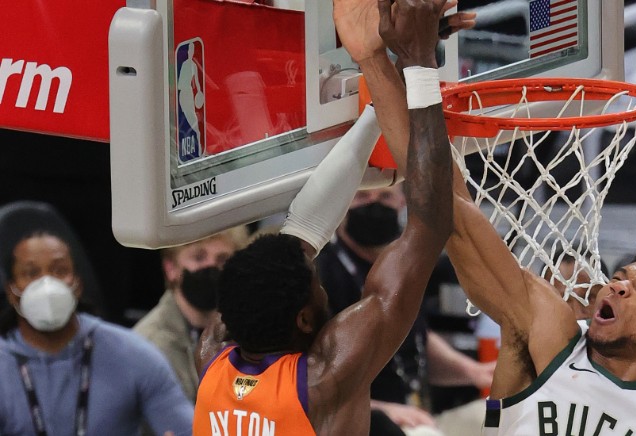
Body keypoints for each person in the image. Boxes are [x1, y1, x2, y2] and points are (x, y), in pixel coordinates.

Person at [366, 7, 636, 436]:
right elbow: (448, 209)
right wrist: (400, 62)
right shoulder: (545, 337)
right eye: (620, 277)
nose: (618, 284)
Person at [192, 0, 469, 434]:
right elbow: (429, 224)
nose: (322, 290)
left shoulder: (213, 358)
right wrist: (419, 63)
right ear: (304, 319)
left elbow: (298, 238)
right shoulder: (325, 379)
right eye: (316, 285)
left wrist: (394, 78)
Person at [317, 183, 494, 434]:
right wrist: (379, 410)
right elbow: (311, 381)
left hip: (417, 413)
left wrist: (475, 372)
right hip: (360, 422)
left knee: (500, 415)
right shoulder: (323, 274)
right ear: (343, 204)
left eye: (385, 196)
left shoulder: (401, 264)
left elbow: (416, 338)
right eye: (363, 196)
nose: (374, 202)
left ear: (402, 203)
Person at [0, 230, 193, 436]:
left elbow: (186, 429)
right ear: (11, 292)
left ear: (77, 284)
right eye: (31, 273)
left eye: (59, 270)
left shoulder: (133, 355)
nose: (47, 283)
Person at [134, 228, 248, 403]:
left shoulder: (245, 331)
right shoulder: (148, 343)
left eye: (222, 259)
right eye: (199, 257)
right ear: (170, 267)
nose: (211, 267)